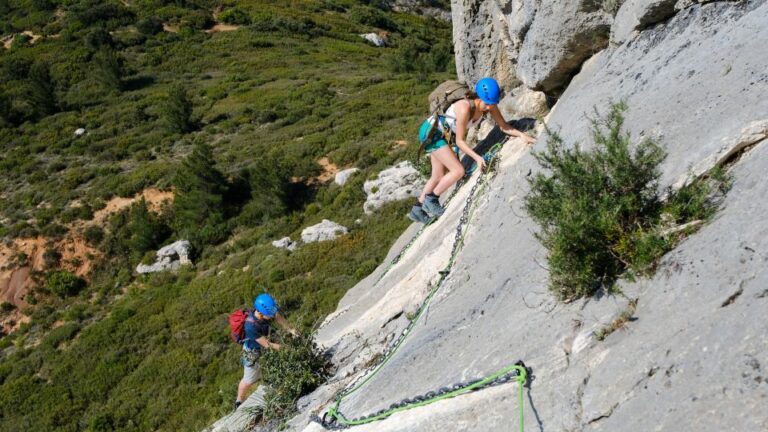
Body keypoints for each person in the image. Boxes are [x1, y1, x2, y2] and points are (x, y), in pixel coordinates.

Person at [409, 77, 537, 223]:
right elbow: (459, 141)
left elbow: (504, 126)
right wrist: (477, 158)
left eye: (492, 103)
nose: (489, 108)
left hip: (442, 133)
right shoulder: (464, 108)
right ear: (479, 97)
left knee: (438, 175)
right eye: (487, 104)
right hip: (432, 133)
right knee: (458, 171)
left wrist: (522, 135)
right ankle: (431, 199)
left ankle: (417, 210)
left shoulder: (490, 104)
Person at [235, 293, 298, 410]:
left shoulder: (265, 311)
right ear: (260, 313)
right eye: (269, 314)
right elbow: (268, 345)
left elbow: (278, 316)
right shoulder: (250, 327)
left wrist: (291, 329)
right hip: (252, 352)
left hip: (265, 340)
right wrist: (288, 348)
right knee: (249, 379)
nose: (272, 315)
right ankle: (239, 400)